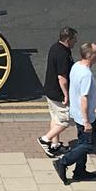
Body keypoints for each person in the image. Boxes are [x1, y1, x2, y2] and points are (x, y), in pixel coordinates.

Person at [52, 42, 96, 185]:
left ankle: (80, 171)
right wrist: (86, 121)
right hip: (85, 116)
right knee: (88, 144)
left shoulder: (76, 66)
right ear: (90, 56)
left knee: (82, 142)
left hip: (77, 112)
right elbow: (84, 98)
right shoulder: (86, 75)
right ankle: (63, 162)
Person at [38, 26, 77, 158]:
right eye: (74, 39)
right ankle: (45, 139)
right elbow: (62, 78)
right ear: (68, 39)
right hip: (57, 93)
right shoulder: (63, 54)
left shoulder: (55, 47)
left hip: (49, 90)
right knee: (65, 120)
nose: (75, 42)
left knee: (55, 118)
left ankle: (55, 145)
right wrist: (66, 95)